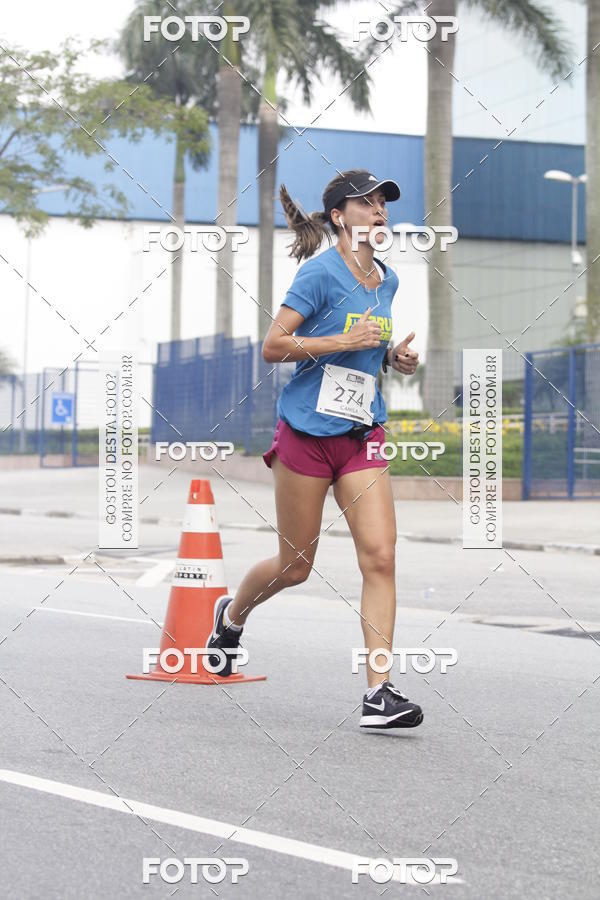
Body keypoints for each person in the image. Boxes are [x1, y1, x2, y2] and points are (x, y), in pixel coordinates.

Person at [208, 169, 423, 729]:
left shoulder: (388, 280)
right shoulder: (318, 273)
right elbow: (274, 346)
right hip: (306, 436)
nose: (379, 211)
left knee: (380, 556)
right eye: (367, 203)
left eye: (383, 202)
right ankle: (231, 616)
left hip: (361, 434)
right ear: (338, 217)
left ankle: (379, 693)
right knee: (296, 566)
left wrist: (389, 360)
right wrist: (342, 341)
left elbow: (364, 356)